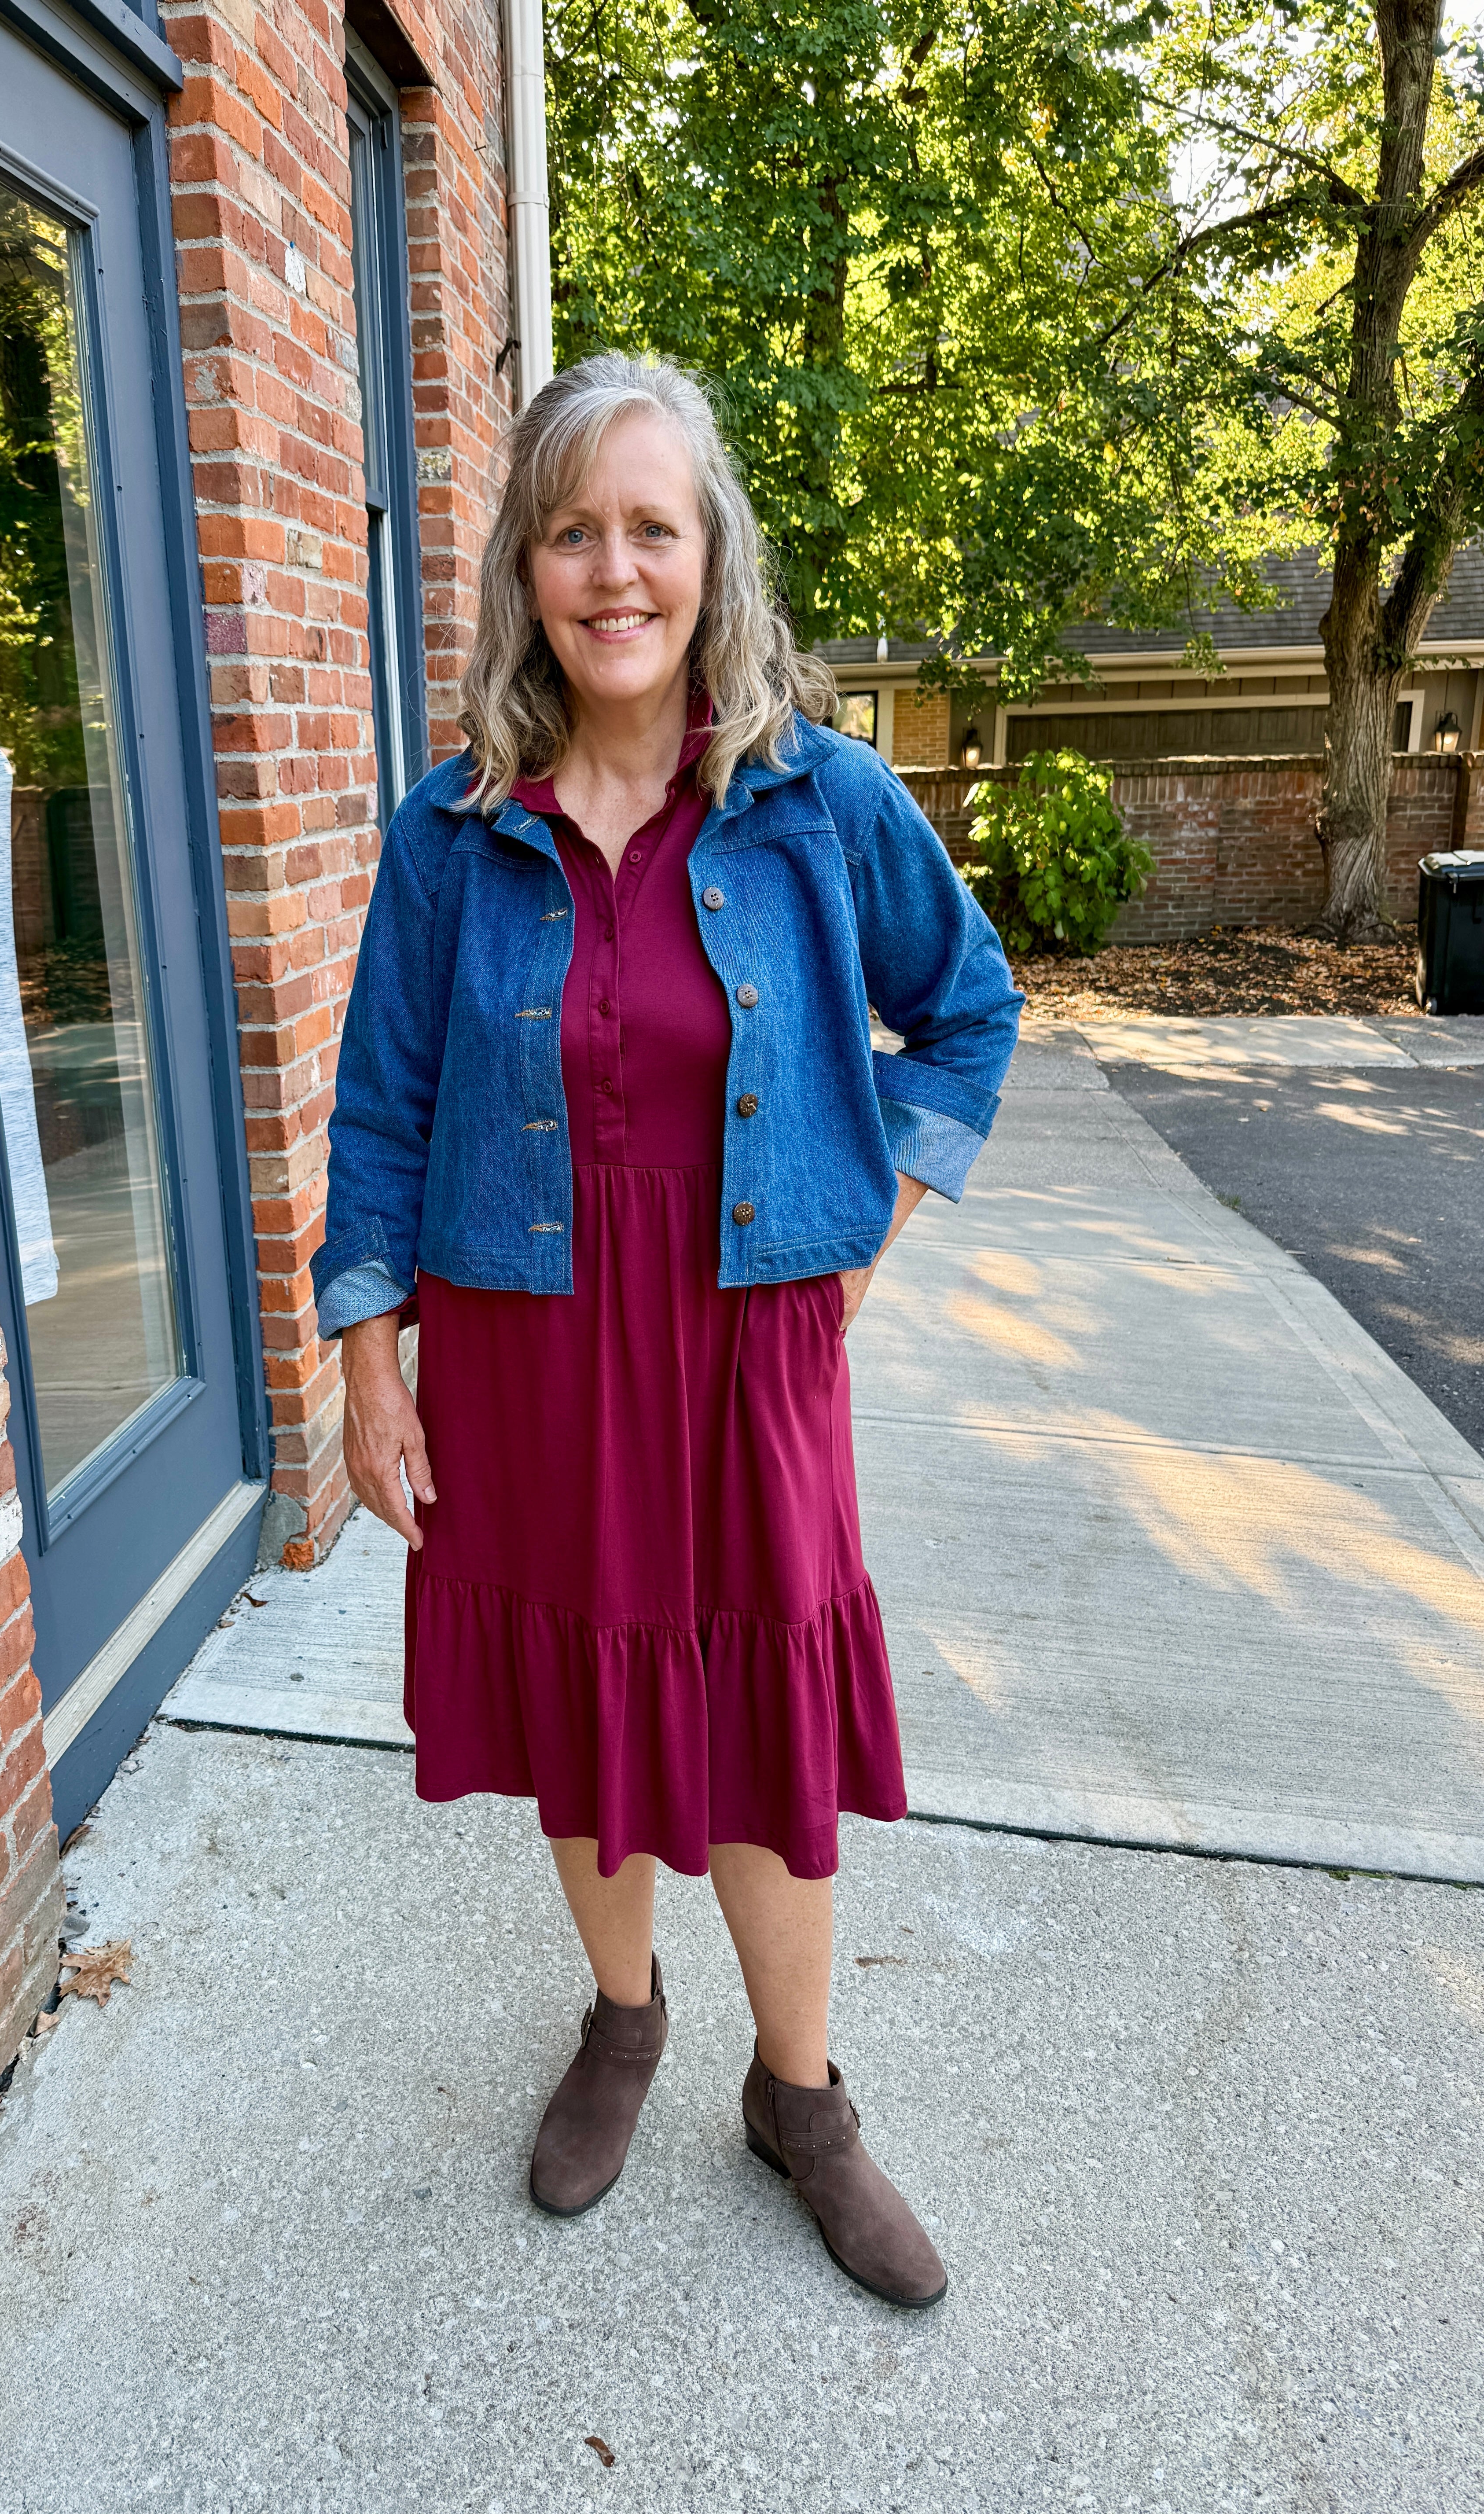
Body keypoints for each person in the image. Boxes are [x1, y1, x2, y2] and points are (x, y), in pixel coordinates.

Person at [312, 354, 1020, 2307]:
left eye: (651, 527)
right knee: (581, 1689)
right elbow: (382, 1109)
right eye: (574, 532)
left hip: (743, 1342)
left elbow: (969, 1011)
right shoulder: (455, 832)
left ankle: (802, 2098)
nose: (613, 570)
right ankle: (622, 2018)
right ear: (525, 568)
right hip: (524, 1337)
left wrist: (868, 1235)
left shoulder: (817, 802)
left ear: (711, 558)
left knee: (764, 1712)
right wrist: (369, 1363)